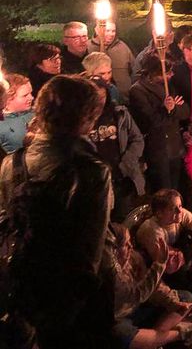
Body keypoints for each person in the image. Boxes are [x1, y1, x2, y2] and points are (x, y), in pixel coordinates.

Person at [0, 75, 114, 346]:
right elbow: (91, 252)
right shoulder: (91, 170)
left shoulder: (10, 164)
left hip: (28, 288)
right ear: (87, 118)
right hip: (75, 297)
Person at [111, 224, 192, 347]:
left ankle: (152, 341)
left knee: (185, 297)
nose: (130, 247)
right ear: (114, 249)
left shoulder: (134, 258)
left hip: (141, 308)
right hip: (122, 316)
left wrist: (173, 302)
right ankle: (179, 333)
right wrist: (159, 265)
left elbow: (154, 287)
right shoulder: (109, 274)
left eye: (130, 242)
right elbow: (136, 294)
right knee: (120, 334)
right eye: (125, 244)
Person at [136, 189, 192, 295]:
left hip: (181, 256)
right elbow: (168, 264)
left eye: (180, 206)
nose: (179, 211)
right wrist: (190, 250)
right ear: (159, 213)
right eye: (173, 209)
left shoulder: (180, 214)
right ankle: (188, 285)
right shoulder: (152, 230)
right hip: (159, 272)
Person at [87, 76, 145, 222]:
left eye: (103, 96)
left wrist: (127, 163)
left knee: (123, 220)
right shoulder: (82, 119)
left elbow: (137, 139)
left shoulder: (120, 114)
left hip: (121, 178)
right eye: (95, 97)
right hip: (97, 183)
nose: (100, 101)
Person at [129, 56, 189, 192]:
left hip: (175, 147)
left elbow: (185, 111)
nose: (172, 75)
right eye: (167, 72)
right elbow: (151, 121)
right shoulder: (138, 91)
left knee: (176, 188)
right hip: (158, 149)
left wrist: (174, 109)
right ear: (155, 73)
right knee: (164, 190)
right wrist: (167, 110)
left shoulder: (170, 87)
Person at [87, 20, 136, 98]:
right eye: (107, 31)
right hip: (99, 97)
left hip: (125, 97)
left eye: (113, 31)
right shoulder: (88, 47)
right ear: (97, 30)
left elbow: (133, 69)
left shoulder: (122, 47)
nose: (111, 34)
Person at [0, 74, 34, 154]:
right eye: (25, 95)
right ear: (8, 98)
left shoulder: (39, 113)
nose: (31, 98)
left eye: (31, 93)